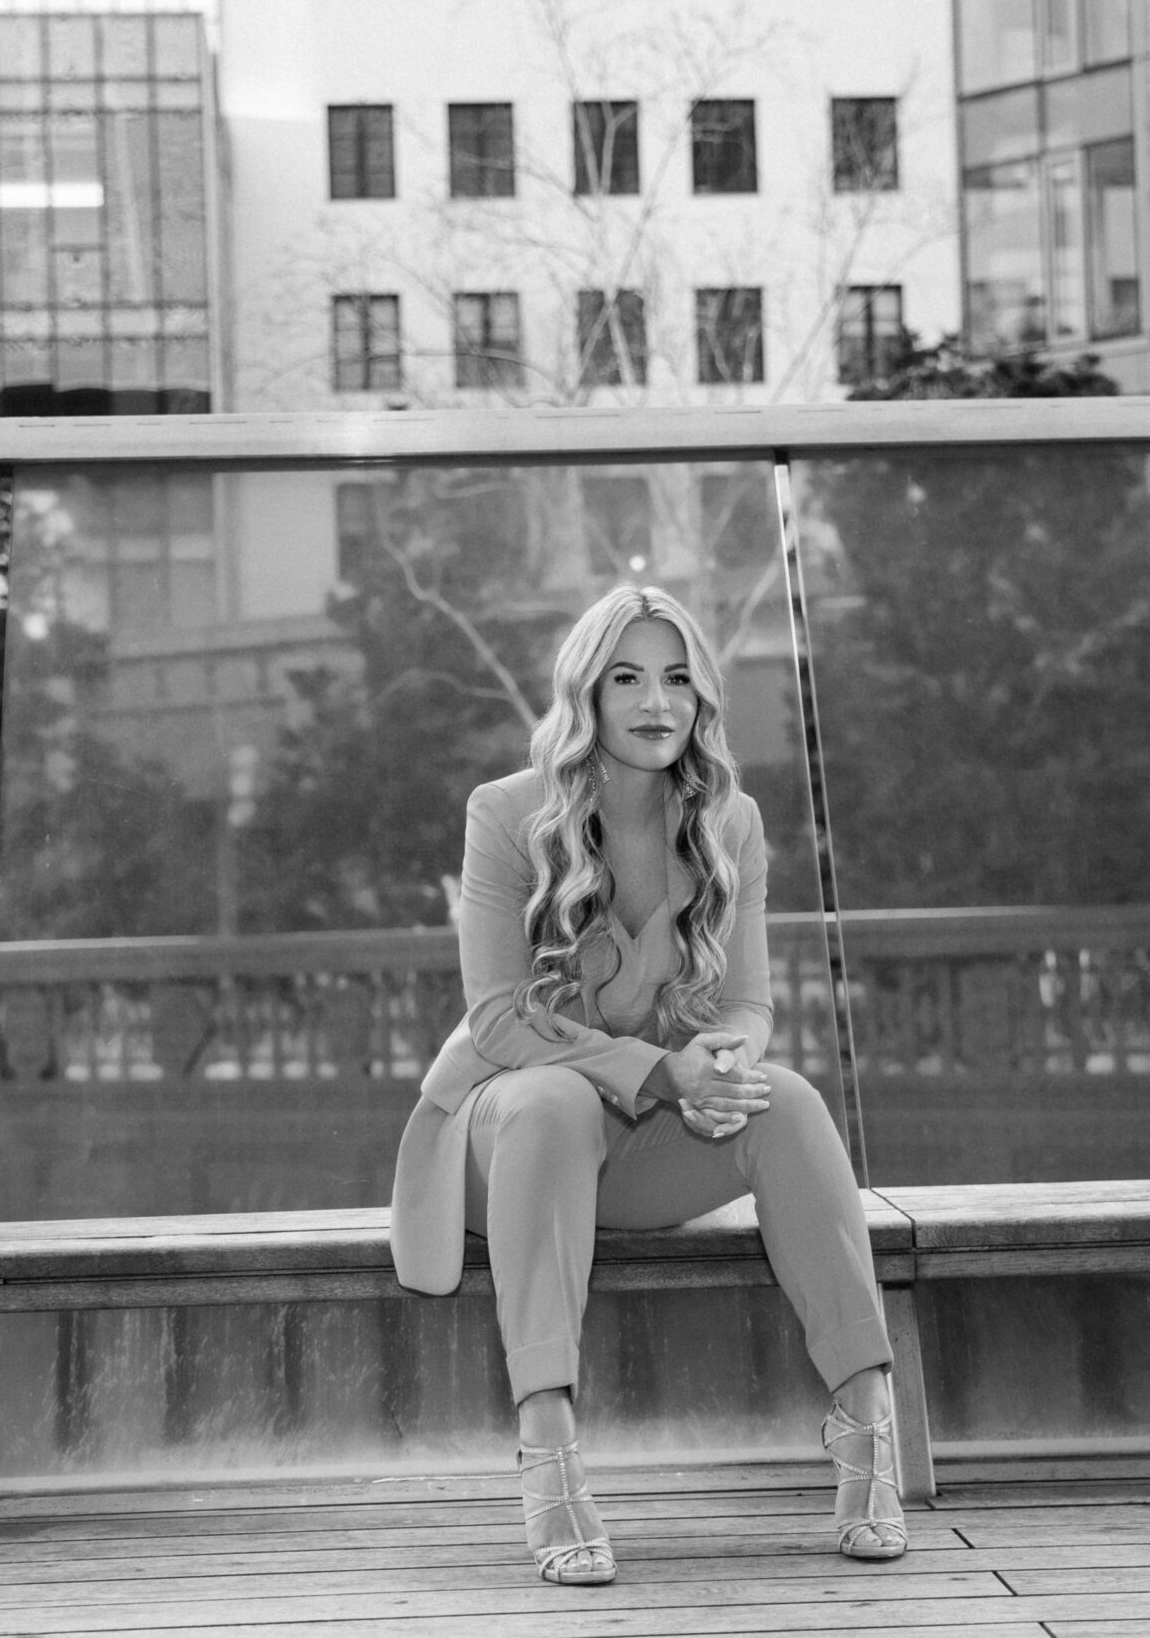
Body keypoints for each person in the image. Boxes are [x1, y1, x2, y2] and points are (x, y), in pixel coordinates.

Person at [388, 584, 908, 1586]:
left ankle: (868, 1424)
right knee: (547, 1101)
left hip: (639, 1139)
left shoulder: (729, 821)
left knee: (789, 1102)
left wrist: (723, 1060)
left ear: (702, 697)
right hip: (504, 1140)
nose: (654, 701)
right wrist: (656, 1070)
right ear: (585, 691)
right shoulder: (505, 814)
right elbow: (498, 1017)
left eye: (676, 678)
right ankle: (548, 1449)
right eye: (626, 677)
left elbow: (749, 1003)